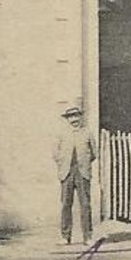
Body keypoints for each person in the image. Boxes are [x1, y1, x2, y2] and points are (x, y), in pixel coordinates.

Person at [52, 104, 96, 244]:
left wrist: (85, 164)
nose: (74, 119)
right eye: (71, 117)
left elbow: (94, 153)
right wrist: (62, 164)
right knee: (66, 204)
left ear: (80, 117)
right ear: (67, 119)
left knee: (85, 204)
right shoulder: (61, 134)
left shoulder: (87, 132)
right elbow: (55, 153)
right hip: (66, 172)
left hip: (82, 172)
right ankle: (65, 236)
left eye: (76, 116)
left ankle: (88, 236)